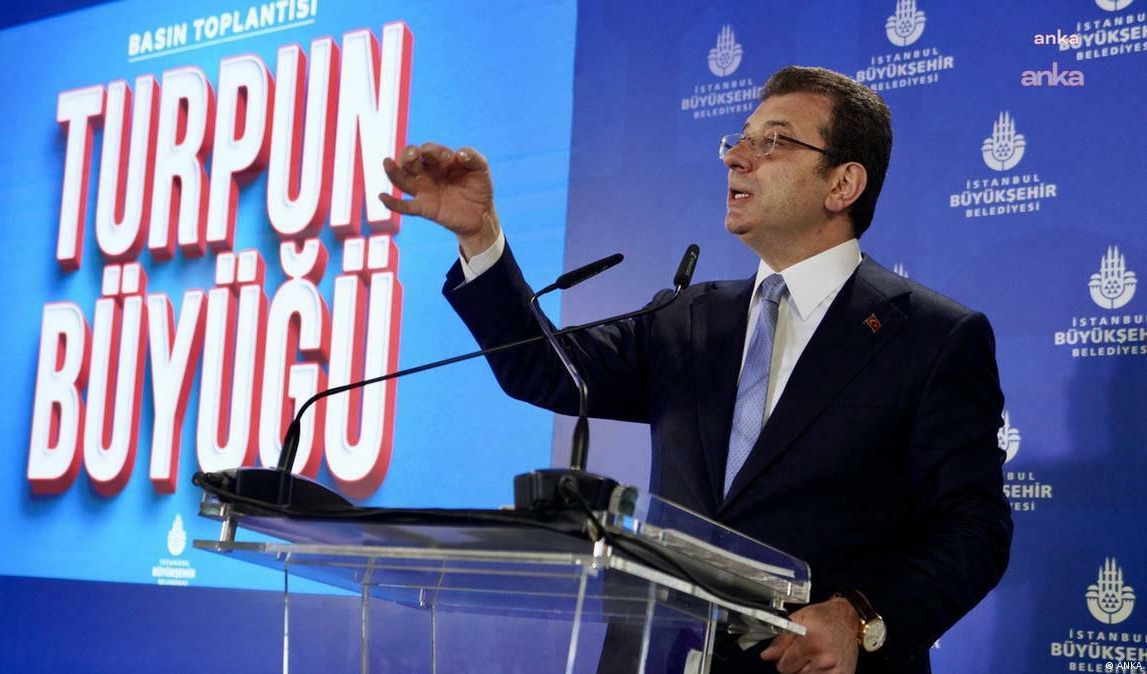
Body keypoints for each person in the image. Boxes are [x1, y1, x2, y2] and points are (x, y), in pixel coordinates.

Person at [379, 66, 1012, 674]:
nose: (736, 157)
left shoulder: (930, 336)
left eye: (773, 142)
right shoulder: (687, 317)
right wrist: (480, 235)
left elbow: (973, 529)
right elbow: (543, 369)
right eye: (739, 140)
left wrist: (861, 617)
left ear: (842, 185)